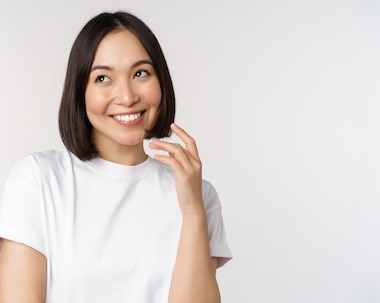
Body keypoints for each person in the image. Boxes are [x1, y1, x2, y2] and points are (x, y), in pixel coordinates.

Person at [0, 11, 232, 303]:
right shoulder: (38, 179)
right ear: (80, 90)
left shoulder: (201, 196)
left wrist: (192, 210)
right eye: (103, 78)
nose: (126, 96)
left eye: (140, 73)